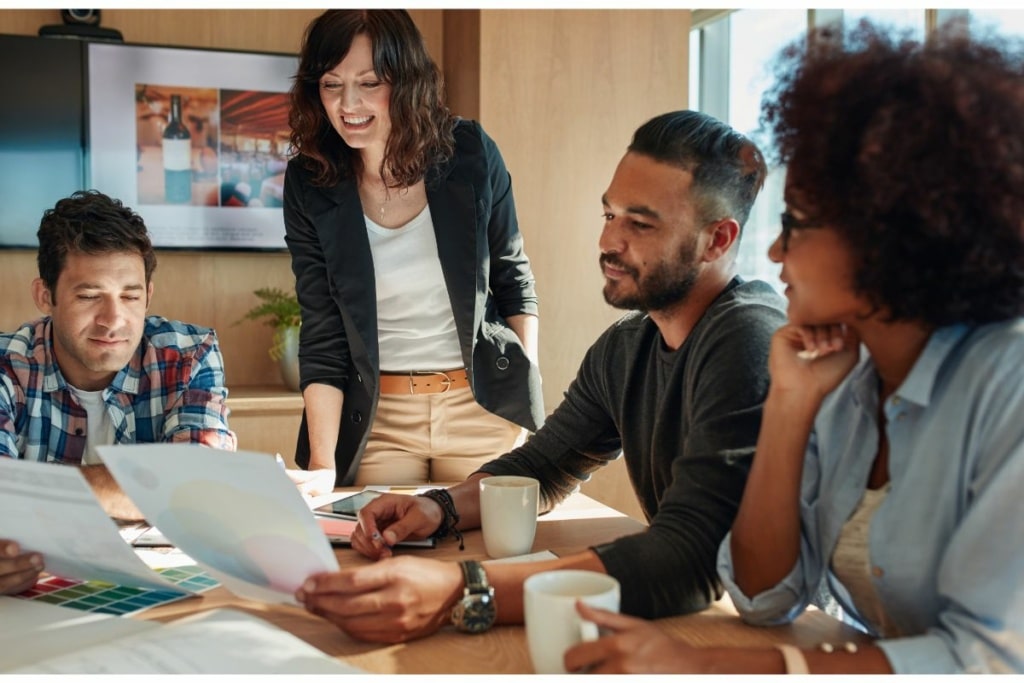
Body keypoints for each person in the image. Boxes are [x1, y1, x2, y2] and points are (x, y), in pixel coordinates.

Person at [563, 20, 1024, 674]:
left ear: (895, 235)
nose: (776, 251)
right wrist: (789, 403)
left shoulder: (1008, 384)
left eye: (798, 225)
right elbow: (763, 594)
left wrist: (713, 667)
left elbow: (987, 661)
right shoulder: (847, 382)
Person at [294, 110, 788, 642]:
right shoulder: (626, 348)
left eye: (640, 224)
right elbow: (543, 465)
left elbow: (690, 555)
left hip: (772, 640)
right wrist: (435, 508)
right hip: (696, 622)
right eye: (609, 215)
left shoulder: (748, 339)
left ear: (718, 240)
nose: (609, 242)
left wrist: (462, 588)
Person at [283, 9, 544, 494]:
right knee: (378, 550)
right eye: (331, 84)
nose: (348, 103)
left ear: (406, 81)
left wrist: (522, 405)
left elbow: (513, 282)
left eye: (370, 82)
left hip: (481, 408)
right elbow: (321, 328)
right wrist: (322, 465)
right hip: (380, 420)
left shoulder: (469, 152)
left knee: (490, 556)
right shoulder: (310, 180)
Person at [0, 189, 237, 596]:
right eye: (90, 296)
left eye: (130, 297)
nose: (114, 320)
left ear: (149, 295)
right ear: (45, 296)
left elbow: (199, 488)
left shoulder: (188, 355)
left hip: (161, 591)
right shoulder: (8, 365)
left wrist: (27, 492)